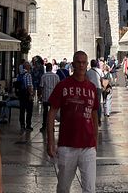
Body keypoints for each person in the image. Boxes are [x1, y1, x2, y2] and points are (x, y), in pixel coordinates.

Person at [47, 50, 98, 193]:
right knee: (63, 188)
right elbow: (51, 113)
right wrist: (50, 140)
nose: (81, 65)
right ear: (73, 64)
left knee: (89, 188)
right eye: (78, 62)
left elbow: (94, 115)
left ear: (87, 64)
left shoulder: (92, 88)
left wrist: (96, 140)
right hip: (67, 146)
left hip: (88, 146)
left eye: (84, 62)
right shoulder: (63, 85)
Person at [40, 62, 59, 132]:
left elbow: (41, 87)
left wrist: (41, 95)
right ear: (51, 68)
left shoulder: (43, 76)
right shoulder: (56, 76)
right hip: (53, 97)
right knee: (52, 112)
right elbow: (58, 87)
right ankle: (52, 126)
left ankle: (44, 126)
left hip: (45, 96)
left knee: (45, 112)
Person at [15, 61, 34, 131]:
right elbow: (29, 86)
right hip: (27, 94)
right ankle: (28, 125)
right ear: (27, 67)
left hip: (21, 94)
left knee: (22, 110)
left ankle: (22, 125)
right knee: (29, 110)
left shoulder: (19, 74)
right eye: (29, 66)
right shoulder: (28, 75)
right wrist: (31, 94)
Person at [86, 59, 103, 125]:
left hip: (91, 89)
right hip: (98, 88)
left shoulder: (88, 72)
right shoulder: (100, 70)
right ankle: (98, 118)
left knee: (91, 103)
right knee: (98, 103)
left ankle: (92, 118)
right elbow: (102, 79)